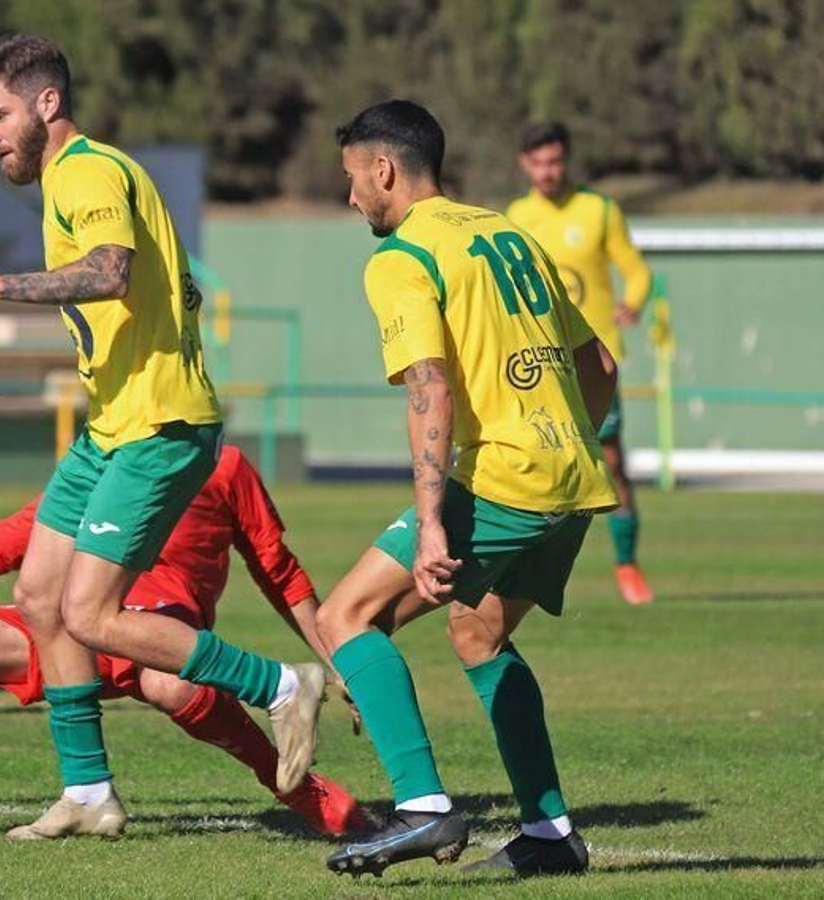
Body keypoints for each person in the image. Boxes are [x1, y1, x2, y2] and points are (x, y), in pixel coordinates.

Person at [0, 34, 327, 840]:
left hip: (158, 427)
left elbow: (111, 270)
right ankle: (88, 792)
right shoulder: (89, 177)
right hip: (111, 428)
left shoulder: (87, 171)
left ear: (47, 104)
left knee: (89, 614)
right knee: (39, 598)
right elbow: (171, 286)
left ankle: (283, 685)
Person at [0, 445, 368, 841]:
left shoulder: (221, 464)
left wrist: (339, 661)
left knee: (172, 680)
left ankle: (302, 790)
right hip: (66, 638)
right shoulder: (93, 464)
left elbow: (278, 570)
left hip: (154, 629)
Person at [314, 101, 618, 878]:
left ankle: (422, 807)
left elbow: (429, 387)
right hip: (576, 479)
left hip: (506, 478)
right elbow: (600, 368)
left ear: (383, 170)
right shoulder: (508, 232)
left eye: (352, 178)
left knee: (346, 615)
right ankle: (550, 834)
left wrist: (430, 523)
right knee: (476, 632)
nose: (350, 197)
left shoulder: (402, 258)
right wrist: (566, 440)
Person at [507, 122, 655, 605]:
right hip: (540, 358)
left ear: (566, 160)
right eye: (539, 163)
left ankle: (627, 564)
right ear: (524, 165)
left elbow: (635, 269)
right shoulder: (516, 215)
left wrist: (632, 301)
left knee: (609, 461)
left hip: (593, 357)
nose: (548, 171)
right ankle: (522, 569)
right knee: (535, 461)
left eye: (555, 161)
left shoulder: (598, 209)